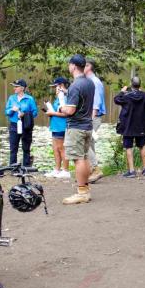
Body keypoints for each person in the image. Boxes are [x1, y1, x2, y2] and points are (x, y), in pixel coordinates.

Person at [59, 55, 95, 205]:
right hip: (87, 126)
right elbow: (82, 100)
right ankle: (85, 189)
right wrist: (67, 93)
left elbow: (70, 110)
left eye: (69, 65)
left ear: (73, 66)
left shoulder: (75, 85)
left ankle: (81, 193)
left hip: (76, 127)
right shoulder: (89, 83)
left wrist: (61, 105)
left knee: (78, 159)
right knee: (84, 157)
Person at [114, 76, 145, 178]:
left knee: (128, 147)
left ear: (131, 84)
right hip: (141, 126)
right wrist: (141, 91)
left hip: (128, 127)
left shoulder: (126, 96)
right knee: (142, 146)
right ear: (140, 85)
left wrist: (122, 91)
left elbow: (116, 99)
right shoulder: (144, 96)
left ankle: (131, 171)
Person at [4, 79, 38, 167]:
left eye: (16, 87)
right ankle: (13, 167)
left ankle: (26, 167)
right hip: (14, 125)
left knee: (26, 148)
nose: (14, 88)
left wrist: (25, 114)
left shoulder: (30, 99)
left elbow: (35, 112)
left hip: (26, 125)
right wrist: (12, 109)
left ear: (22, 88)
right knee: (13, 148)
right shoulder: (11, 98)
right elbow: (6, 112)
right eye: (14, 86)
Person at [84, 60, 106, 183]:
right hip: (90, 116)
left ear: (89, 67)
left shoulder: (94, 82)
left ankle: (95, 169)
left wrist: (90, 118)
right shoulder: (89, 81)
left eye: (84, 66)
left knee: (84, 142)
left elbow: (96, 102)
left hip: (93, 117)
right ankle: (91, 171)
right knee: (90, 143)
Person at [44, 76, 70, 178]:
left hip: (61, 126)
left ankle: (66, 170)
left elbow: (66, 114)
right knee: (55, 148)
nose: (55, 88)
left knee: (62, 148)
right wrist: (51, 111)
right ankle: (57, 169)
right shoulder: (58, 98)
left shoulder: (65, 98)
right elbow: (56, 111)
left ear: (61, 86)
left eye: (56, 86)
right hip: (55, 126)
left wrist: (52, 113)